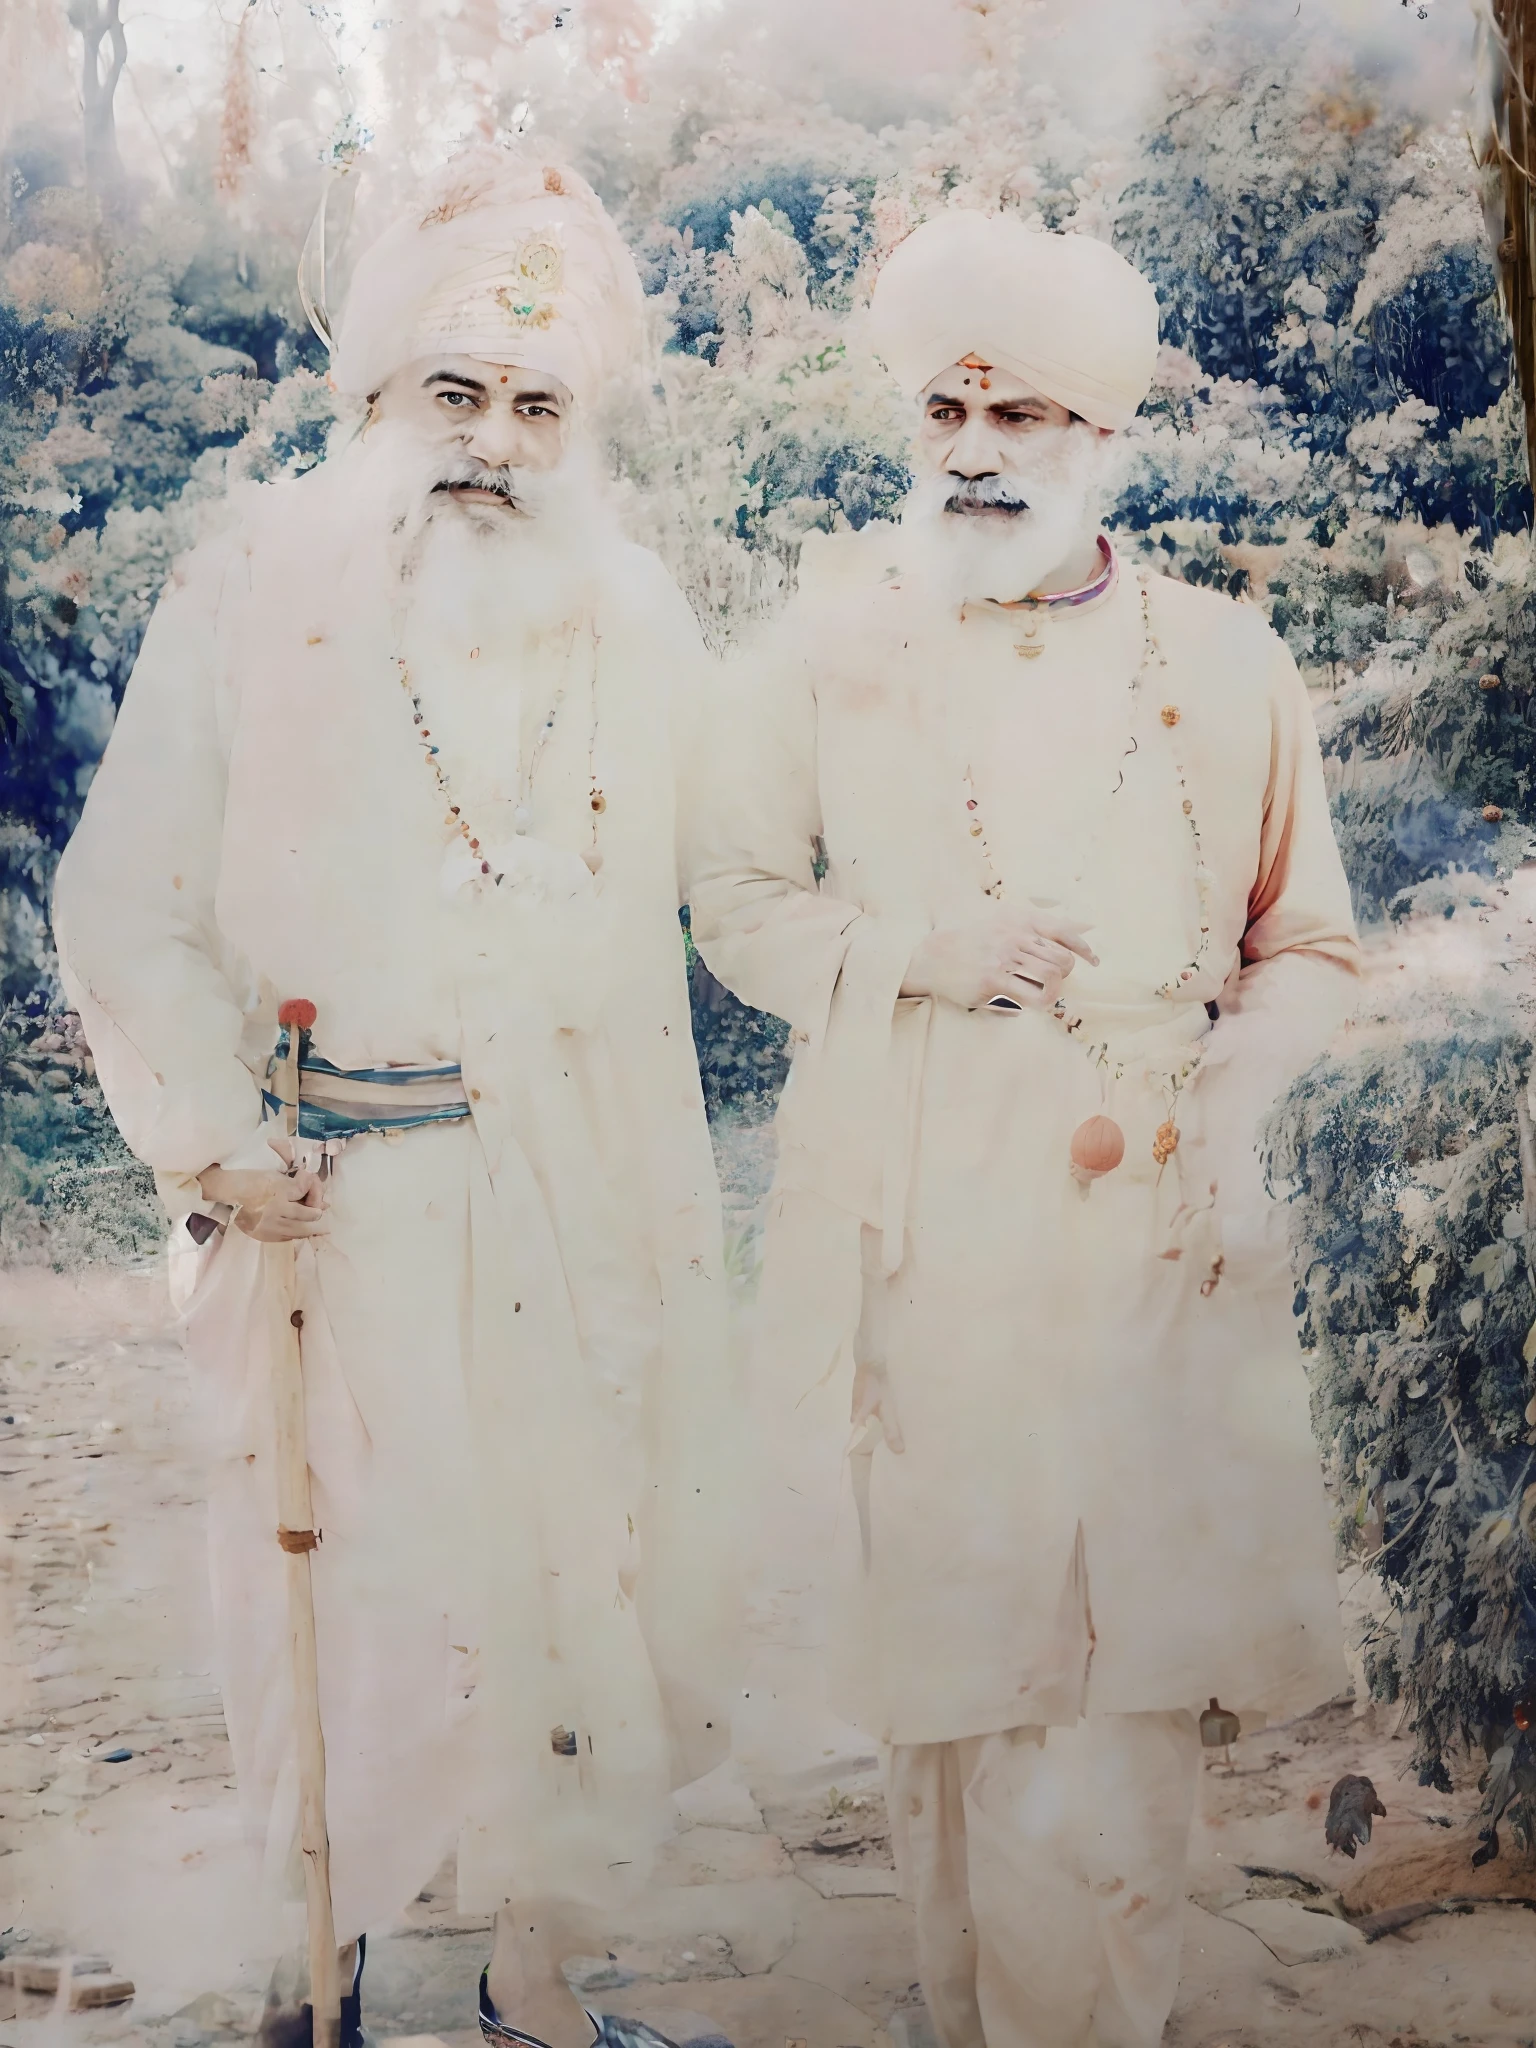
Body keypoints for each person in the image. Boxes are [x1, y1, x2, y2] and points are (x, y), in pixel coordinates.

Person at [53, 151, 734, 2048]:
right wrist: (208, 1133)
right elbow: (123, 895)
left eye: (538, 406)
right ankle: (318, 1976)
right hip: (321, 1198)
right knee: (335, 1597)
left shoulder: (629, 609)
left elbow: (754, 840)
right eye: (457, 393)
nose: (494, 443)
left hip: (556, 1191)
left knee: (553, 1585)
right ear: (376, 398)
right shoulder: (251, 576)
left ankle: (534, 1984)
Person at [687, 210, 1361, 2048]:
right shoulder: (827, 651)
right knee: (964, 1677)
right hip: (921, 1209)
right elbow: (734, 899)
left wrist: (1233, 1096)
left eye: (1025, 419)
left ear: (1105, 441)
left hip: (1150, 1216)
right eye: (945, 417)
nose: (976, 455)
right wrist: (916, 949)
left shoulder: (1227, 660)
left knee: (1122, 1695)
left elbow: (1308, 948)